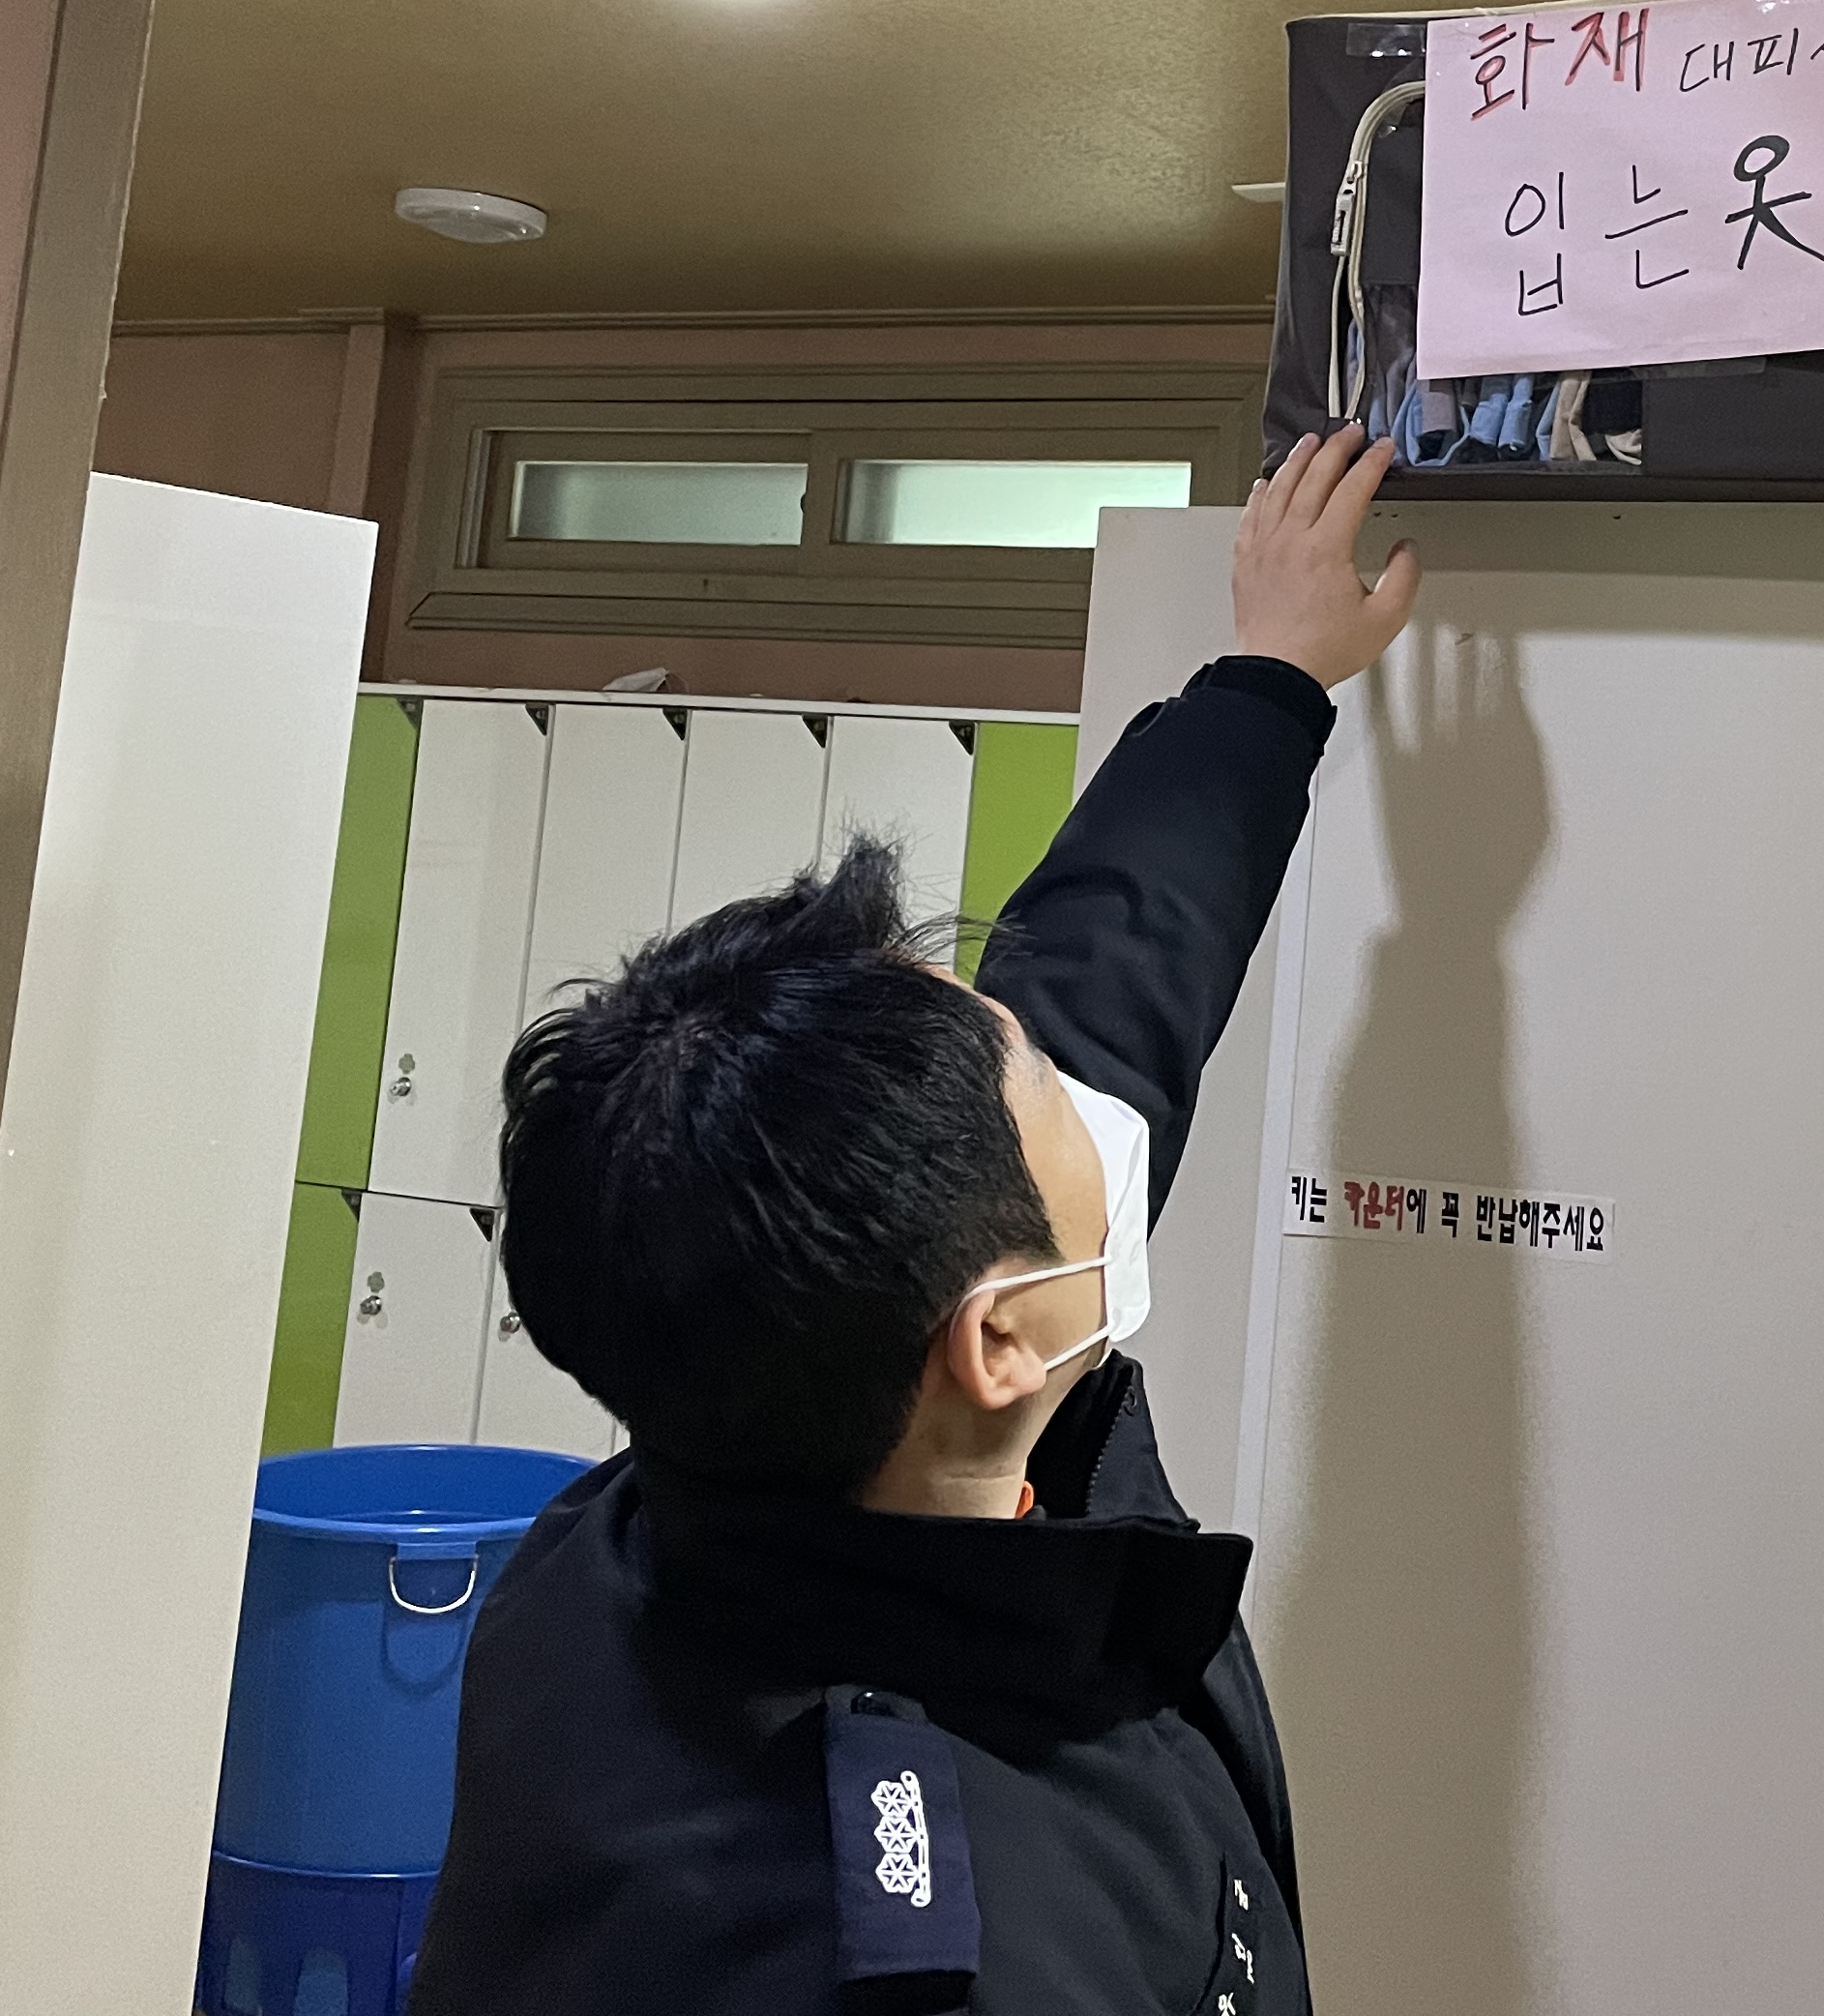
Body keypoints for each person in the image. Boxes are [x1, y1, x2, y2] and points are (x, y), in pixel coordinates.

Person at [406, 429, 1420, 2016]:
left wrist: (1269, 681)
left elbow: (1105, 985)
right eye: (1046, 1097)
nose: (1086, 1097)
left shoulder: (678, 1495)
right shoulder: (928, 1951)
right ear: (996, 1340)